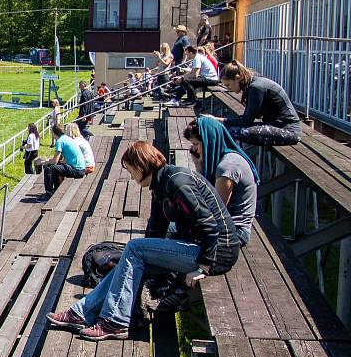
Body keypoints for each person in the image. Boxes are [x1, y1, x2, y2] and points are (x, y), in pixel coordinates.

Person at [46, 141, 240, 341]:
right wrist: (144, 256)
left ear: (140, 166)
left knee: (134, 249)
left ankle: (114, 322)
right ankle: (81, 313)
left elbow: (209, 225)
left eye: (131, 171)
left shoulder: (177, 183)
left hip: (217, 253)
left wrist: (203, 268)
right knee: (132, 255)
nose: (131, 176)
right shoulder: (161, 184)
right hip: (200, 248)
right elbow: (156, 230)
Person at [183, 118, 260, 246]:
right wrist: (199, 165)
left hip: (235, 232)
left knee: (167, 234)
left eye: (196, 144)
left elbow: (215, 208)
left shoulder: (227, 167)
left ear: (209, 141)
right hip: (222, 227)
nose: (194, 149)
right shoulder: (220, 159)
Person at [204, 60, 301, 146]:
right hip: (276, 125)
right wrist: (219, 120)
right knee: (229, 128)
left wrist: (218, 120)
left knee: (233, 131)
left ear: (238, 78)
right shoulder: (253, 84)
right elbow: (247, 118)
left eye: (228, 84)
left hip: (288, 130)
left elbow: (247, 121)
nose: (227, 88)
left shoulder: (256, 88)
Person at [42, 124, 89, 198]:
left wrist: (43, 162)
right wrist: (47, 161)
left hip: (77, 170)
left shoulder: (60, 141)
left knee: (48, 168)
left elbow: (55, 161)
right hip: (81, 169)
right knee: (54, 168)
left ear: (54, 133)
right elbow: (58, 160)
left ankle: (48, 194)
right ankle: (55, 190)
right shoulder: (66, 138)